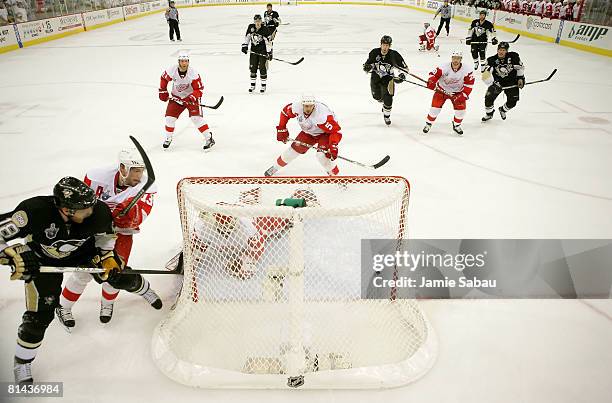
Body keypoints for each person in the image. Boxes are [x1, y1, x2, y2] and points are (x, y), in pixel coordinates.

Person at [0, 177, 120, 383]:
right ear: (66, 209)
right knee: (39, 318)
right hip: (43, 261)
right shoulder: (34, 211)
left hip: (83, 254)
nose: (91, 212)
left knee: (119, 277)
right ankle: (23, 363)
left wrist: (108, 256)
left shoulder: (97, 210)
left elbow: (104, 235)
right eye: (84, 210)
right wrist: (10, 252)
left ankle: (143, 289)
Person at [57, 149, 161, 326]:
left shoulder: (147, 187)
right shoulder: (96, 176)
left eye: (141, 170)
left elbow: (139, 217)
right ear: (122, 167)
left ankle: (107, 304)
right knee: (83, 274)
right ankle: (63, 307)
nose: (139, 175)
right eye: (135, 170)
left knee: (115, 273)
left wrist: (128, 214)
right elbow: (82, 204)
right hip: (94, 230)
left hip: (121, 232)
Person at [264, 95, 342, 177]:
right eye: (306, 106)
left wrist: (333, 145)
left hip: (325, 134)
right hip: (308, 133)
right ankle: (275, 168)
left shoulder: (322, 116)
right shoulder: (296, 108)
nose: (308, 108)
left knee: (322, 156)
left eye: (311, 106)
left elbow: (336, 131)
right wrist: (281, 128)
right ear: (302, 105)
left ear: (314, 105)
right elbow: (285, 113)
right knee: (292, 151)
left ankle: (336, 176)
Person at [158, 52, 215, 151]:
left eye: (186, 61)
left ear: (188, 62)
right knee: (169, 118)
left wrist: (192, 97)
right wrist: (163, 90)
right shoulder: (172, 70)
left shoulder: (193, 73)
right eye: (182, 61)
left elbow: (199, 89)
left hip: (191, 98)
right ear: (178, 62)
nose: (184, 63)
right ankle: (168, 137)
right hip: (177, 98)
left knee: (196, 119)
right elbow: (163, 78)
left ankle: (209, 138)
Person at [422, 50, 475, 136]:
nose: (455, 60)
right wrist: (431, 81)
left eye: (458, 58)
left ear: (461, 59)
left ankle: (456, 125)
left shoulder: (467, 70)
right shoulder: (443, 67)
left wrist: (463, 95)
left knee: (461, 111)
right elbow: (433, 75)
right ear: (451, 58)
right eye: (454, 58)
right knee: (434, 110)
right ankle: (428, 124)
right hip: (441, 90)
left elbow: (469, 85)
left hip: (458, 92)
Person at [363, 35, 409, 126]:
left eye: (387, 45)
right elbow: (367, 65)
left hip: (388, 78)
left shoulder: (394, 55)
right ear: (381, 44)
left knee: (389, 98)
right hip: (375, 77)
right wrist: (367, 67)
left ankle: (386, 116)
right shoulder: (374, 52)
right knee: (376, 97)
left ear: (390, 46)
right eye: (383, 45)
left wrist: (402, 75)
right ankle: (383, 102)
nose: (385, 47)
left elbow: (405, 68)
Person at [481, 42, 525, 122]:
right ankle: (489, 114)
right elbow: (485, 75)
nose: (501, 52)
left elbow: (520, 68)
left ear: (507, 51)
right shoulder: (491, 60)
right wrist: (492, 84)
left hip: (511, 82)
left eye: (503, 50)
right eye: (500, 50)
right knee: (488, 99)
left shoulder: (513, 57)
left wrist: (520, 79)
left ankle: (503, 110)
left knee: (512, 102)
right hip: (497, 83)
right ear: (497, 50)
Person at [241, 14, 274, 94]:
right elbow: (248, 37)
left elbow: (268, 42)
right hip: (253, 52)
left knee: (262, 68)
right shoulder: (251, 27)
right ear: (254, 21)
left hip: (263, 52)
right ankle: (253, 85)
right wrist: (245, 46)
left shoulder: (265, 29)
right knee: (253, 68)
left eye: (259, 21)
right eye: (256, 21)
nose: (258, 23)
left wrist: (269, 52)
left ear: (261, 21)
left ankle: (263, 86)